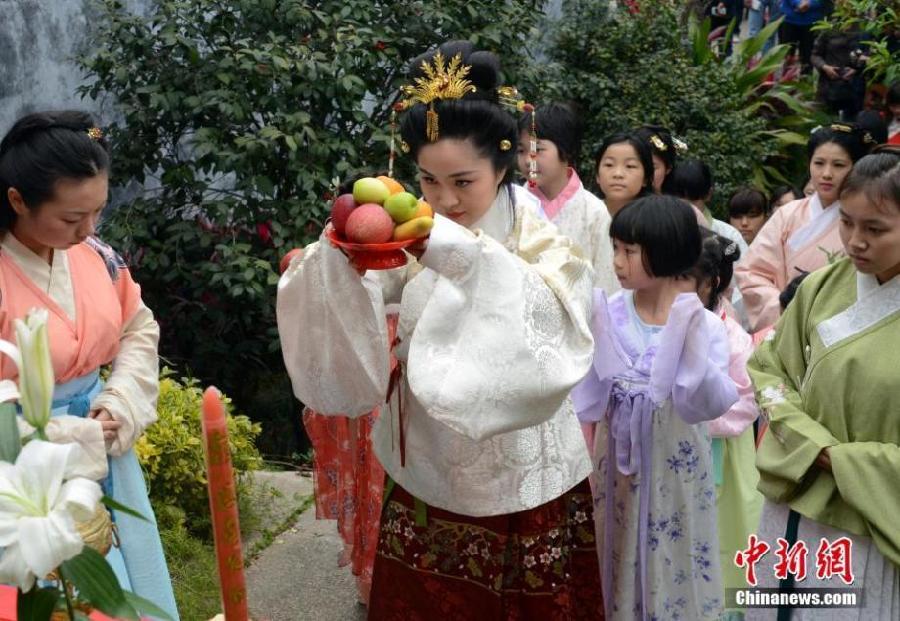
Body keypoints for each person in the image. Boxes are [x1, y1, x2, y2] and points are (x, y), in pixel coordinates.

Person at [277, 40, 603, 619]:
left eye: (463, 181)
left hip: (519, 471)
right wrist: (340, 261)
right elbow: (379, 285)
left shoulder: (545, 243)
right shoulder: (418, 226)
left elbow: (550, 327)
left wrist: (449, 250)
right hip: (426, 456)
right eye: (428, 181)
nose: (445, 200)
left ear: (504, 167)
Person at [0, 111, 178, 618]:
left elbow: (137, 328)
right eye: (71, 219)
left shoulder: (96, 256)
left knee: (120, 586)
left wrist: (119, 399)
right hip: (20, 472)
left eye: (97, 213)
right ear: (17, 200)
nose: (89, 230)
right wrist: (63, 436)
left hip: (104, 443)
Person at [745, 146, 900, 620]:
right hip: (795, 495)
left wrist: (845, 463)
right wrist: (816, 448)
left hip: (867, 520)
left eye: (875, 229)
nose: (855, 241)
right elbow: (770, 370)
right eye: (847, 222)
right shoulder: (819, 287)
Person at [573, 195, 738, 621]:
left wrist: (689, 349)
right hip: (617, 471)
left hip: (675, 469)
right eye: (616, 248)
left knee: (676, 546)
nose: (618, 261)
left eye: (629, 250)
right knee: (616, 541)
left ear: (666, 251)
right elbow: (586, 396)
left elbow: (707, 401)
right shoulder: (606, 313)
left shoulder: (700, 325)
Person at [688, 229, 763, 619]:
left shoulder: (733, 336)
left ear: (711, 283)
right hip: (677, 451)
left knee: (723, 538)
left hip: (722, 456)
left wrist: (689, 414)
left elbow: (745, 402)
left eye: (686, 279)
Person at [734, 123, 873, 332]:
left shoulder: (865, 220)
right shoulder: (787, 214)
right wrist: (782, 302)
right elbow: (751, 272)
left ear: (855, 168)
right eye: (819, 163)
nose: (826, 174)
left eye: (838, 165)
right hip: (786, 321)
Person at [517, 102, 618, 292]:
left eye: (537, 150)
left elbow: (606, 280)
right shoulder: (514, 204)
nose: (527, 160)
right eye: (521, 150)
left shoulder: (594, 212)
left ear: (566, 149)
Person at [811, 24, 869, 119]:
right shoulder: (829, 30)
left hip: (853, 87)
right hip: (828, 86)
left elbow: (869, 54)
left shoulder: (863, 31)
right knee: (824, 119)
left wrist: (856, 69)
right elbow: (815, 55)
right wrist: (825, 67)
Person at [594, 131, 655, 218]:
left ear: (645, 178)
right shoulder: (585, 213)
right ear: (597, 175)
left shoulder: (657, 219)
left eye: (630, 166)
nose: (618, 174)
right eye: (609, 165)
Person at [780, 0, 828, 74]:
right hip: (790, 20)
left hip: (812, 21)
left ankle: (805, 81)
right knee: (788, 55)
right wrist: (798, 3)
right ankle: (786, 81)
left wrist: (809, 4)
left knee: (807, 57)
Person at [634, 125, 680, 193]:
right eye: (631, 166)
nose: (643, 173)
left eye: (651, 167)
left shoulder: (677, 203)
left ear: (668, 168)